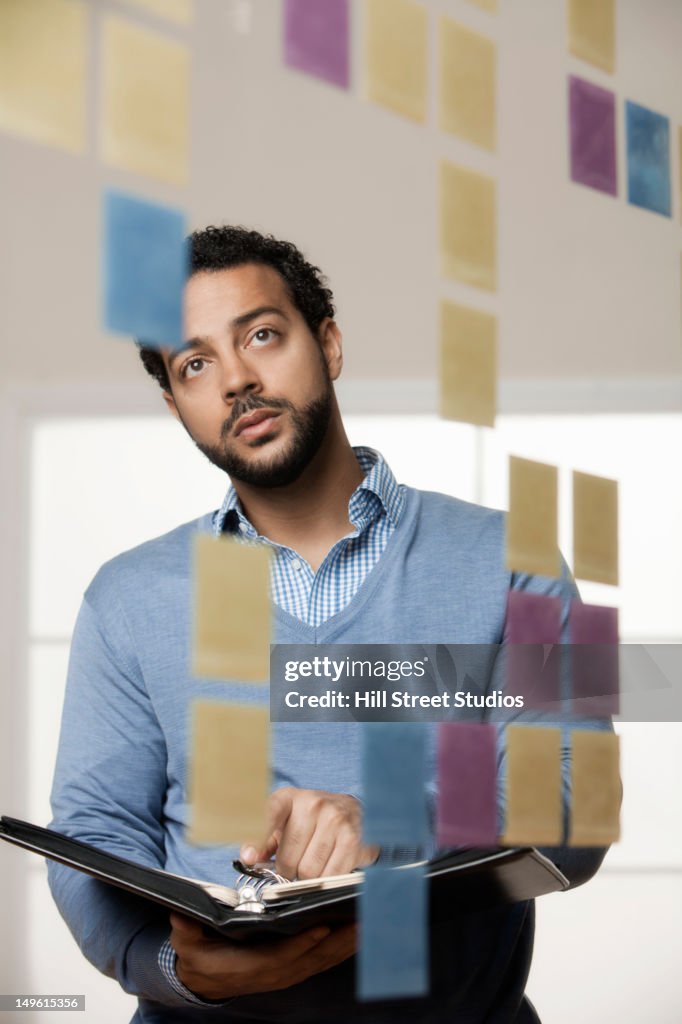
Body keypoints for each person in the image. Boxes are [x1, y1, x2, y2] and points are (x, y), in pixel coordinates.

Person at [48, 226, 610, 1023]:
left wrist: (389, 826)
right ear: (177, 405)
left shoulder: (516, 558)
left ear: (331, 344)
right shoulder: (124, 598)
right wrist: (176, 969)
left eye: (263, 336)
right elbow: (95, 833)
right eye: (196, 363)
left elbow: (576, 813)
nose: (237, 379)